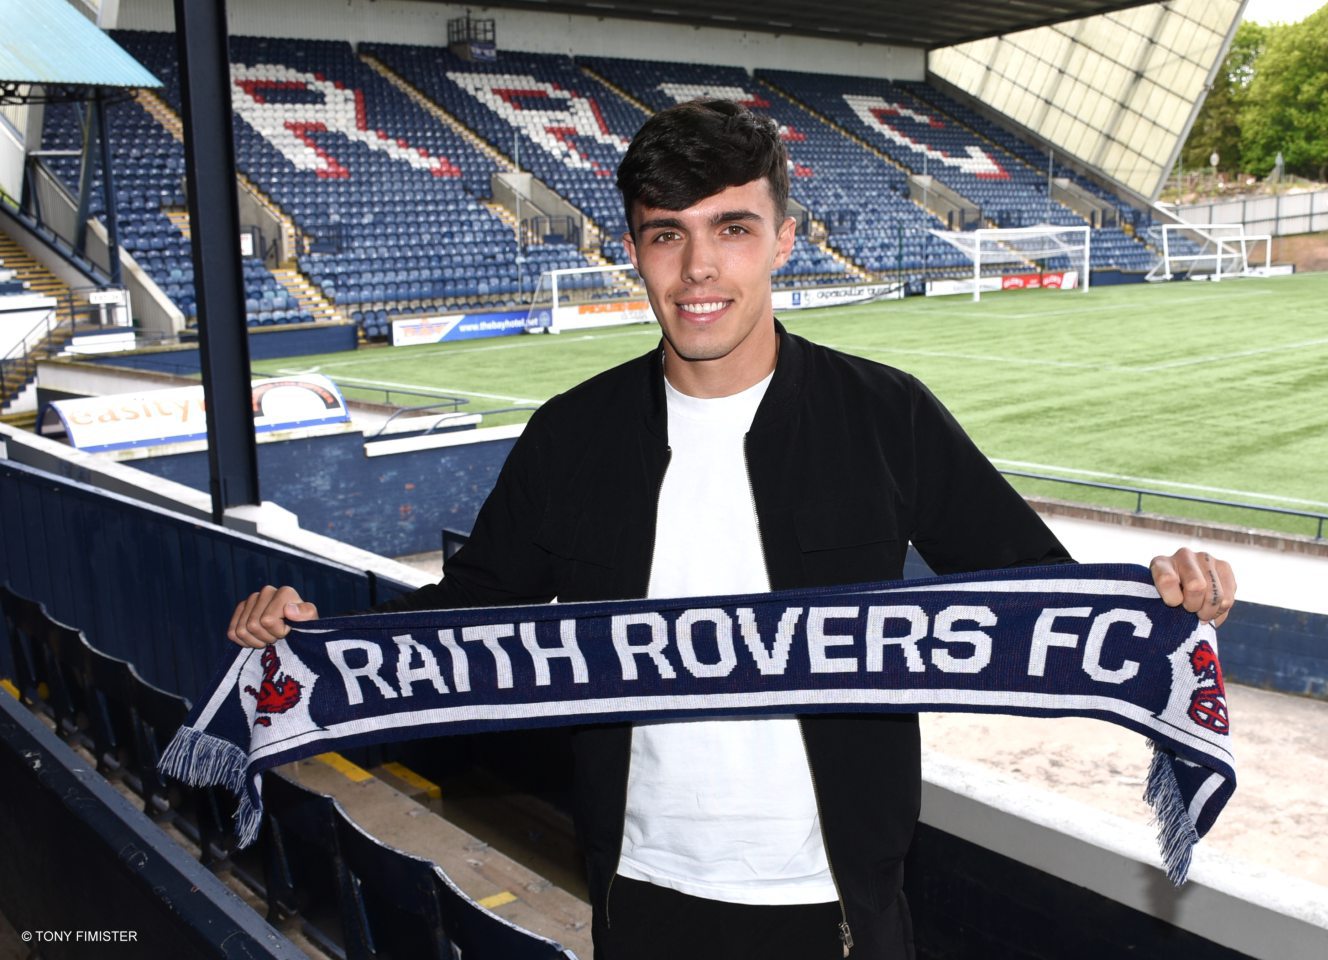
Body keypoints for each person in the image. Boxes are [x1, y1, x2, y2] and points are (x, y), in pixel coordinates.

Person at [229, 99, 1237, 959]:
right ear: (634, 249)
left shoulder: (887, 417)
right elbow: (467, 617)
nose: (699, 269)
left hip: (838, 904)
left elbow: (1032, 591)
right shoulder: (572, 436)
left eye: (733, 229)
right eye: (668, 234)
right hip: (642, 895)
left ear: (785, 240)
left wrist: (1162, 598)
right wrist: (308, 641)